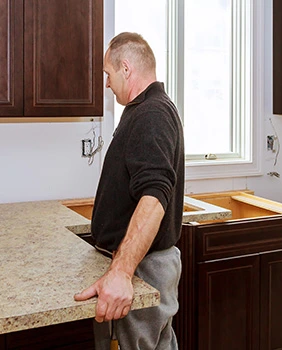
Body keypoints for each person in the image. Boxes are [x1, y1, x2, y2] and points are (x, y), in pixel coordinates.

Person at [73, 32, 185, 350]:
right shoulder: (144, 110)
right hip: (143, 264)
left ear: (126, 68)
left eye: (108, 74)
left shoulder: (151, 115)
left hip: (143, 268)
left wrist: (122, 272)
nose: (107, 84)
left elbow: (154, 196)